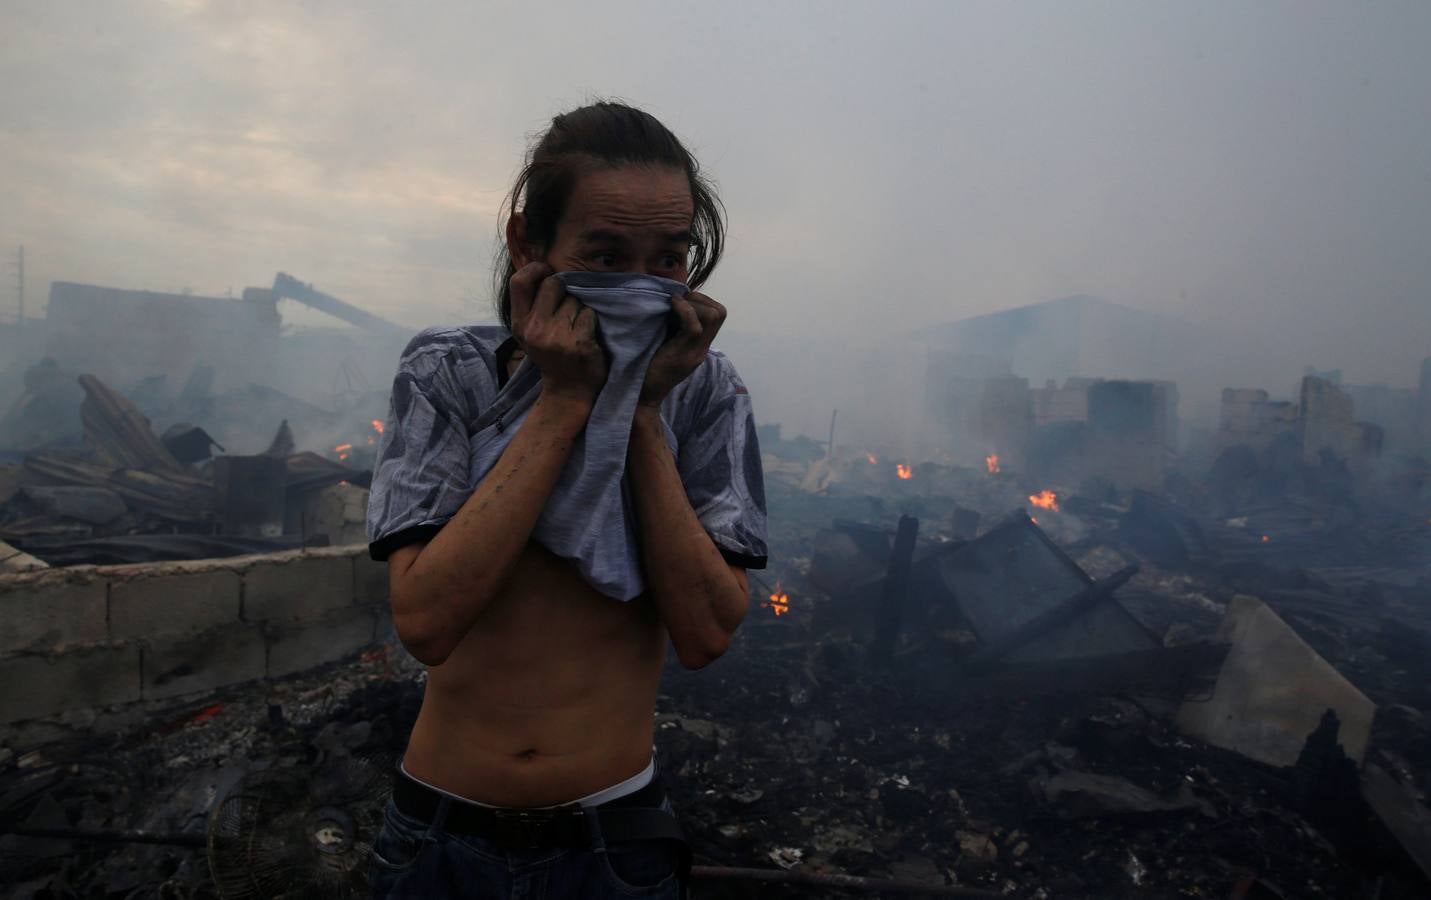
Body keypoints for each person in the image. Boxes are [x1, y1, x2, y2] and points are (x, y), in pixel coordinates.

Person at [364, 100, 767, 899]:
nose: (638, 288)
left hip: (613, 845)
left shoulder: (703, 393)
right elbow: (427, 621)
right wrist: (562, 400)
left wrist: (643, 411)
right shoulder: (451, 374)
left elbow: (706, 630)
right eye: (605, 255)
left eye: (667, 260)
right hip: (440, 838)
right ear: (529, 244)